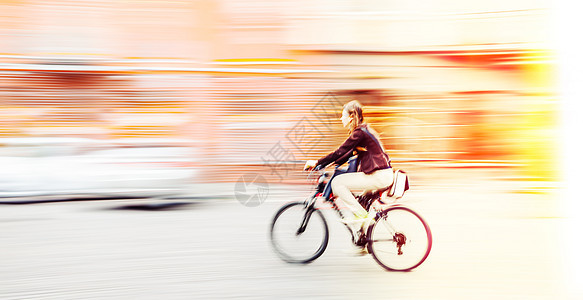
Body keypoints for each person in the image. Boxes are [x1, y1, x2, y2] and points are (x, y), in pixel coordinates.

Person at [304, 100, 393, 236]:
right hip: (382, 175)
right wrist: (324, 164)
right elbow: (345, 155)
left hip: (379, 176)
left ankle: (361, 215)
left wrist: (316, 162)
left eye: (343, 115)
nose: (341, 118)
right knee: (362, 202)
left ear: (351, 116)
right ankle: (362, 241)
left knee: (337, 183)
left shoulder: (360, 133)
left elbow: (339, 151)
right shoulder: (363, 131)